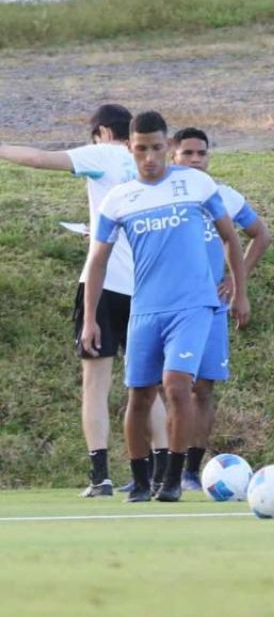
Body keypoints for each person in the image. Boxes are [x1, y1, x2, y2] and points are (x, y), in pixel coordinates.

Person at [81, 111, 250, 502]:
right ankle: (141, 481)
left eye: (157, 148)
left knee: (177, 386)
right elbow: (98, 262)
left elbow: (232, 237)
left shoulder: (196, 184)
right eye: (141, 149)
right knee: (139, 395)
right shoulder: (119, 198)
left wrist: (239, 290)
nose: (150, 157)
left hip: (194, 306)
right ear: (130, 149)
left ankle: (173, 478)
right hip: (145, 310)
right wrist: (90, 318)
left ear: (168, 146)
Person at [0, 104, 166, 496]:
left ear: (103, 133)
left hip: (104, 286)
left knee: (96, 384)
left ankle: (100, 476)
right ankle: (161, 471)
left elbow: (40, 158)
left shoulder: (105, 153)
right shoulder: (153, 167)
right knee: (148, 386)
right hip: (147, 288)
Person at [167, 127, 272, 489]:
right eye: (187, 154)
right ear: (173, 156)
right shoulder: (162, 198)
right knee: (168, 387)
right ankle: (163, 467)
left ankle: (191, 472)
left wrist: (235, 282)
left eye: (201, 154)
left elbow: (260, 234)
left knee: (204, 389)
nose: (196, 160)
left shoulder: (223, 196)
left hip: (212, 308)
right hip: (171, 306)